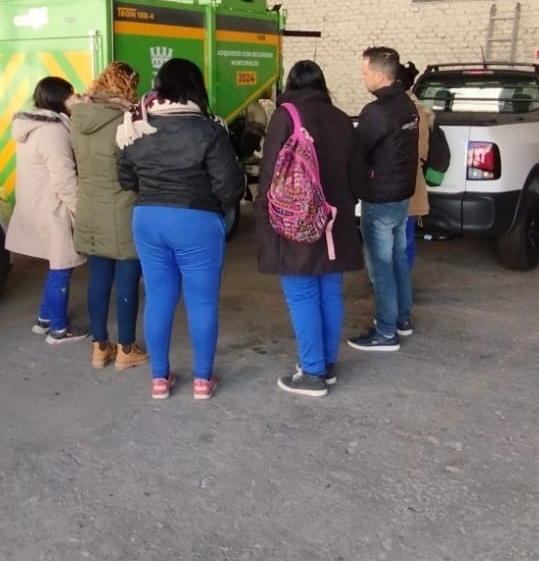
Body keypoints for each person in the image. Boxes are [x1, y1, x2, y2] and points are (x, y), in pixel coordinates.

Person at [117, 58, 244, 400]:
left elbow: (125, 178)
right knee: (202, 301)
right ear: (195, 86)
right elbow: (230, 187)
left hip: (147, 219)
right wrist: (214, 207)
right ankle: (202, 381)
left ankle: (160, 379)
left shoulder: (136, 126)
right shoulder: (209, 130)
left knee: (158, 297)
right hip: (196, 220)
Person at [255, 60, 365, 398]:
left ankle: (312, 371)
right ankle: (326, 366)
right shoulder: (341, 118)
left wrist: (264, 217)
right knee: (330, 292)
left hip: (297, 220)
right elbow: (357, 175)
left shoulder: (285, 115)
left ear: (291, 83)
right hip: (335, 219)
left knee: (302, 293)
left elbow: (270, 173)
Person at [69, 62, 148, 372]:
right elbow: (135, 170)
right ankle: (126, 349)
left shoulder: (78, 119)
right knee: (127, 281)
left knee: (98, 280)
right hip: (123, 209)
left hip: (90, 209)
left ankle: (100, 347)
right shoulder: (125, 122)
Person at [348, 46, 419, 353]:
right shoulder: (407, 105)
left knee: (381, 266)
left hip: (379, 199)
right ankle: (402, 319)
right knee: (398, 258)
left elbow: (356, 153)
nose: (362, 77)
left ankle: (386, 331)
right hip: (402, 195)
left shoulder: (376, 112)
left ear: (378, 75)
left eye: (365, 71)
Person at [6, 76, 87, 344]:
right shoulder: (54, 131)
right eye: (71, 93)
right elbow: (64, 179)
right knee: (62, 266)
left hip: (37, 203)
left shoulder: (33, 125)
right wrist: (81, 212)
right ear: (59, 98)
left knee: (56, 264)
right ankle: (59, 330)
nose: (76, 98)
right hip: (53, 207)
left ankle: (44, 319)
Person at [396, 60, 433, 269]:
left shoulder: (414, 113)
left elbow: (419, 151)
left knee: (403, 239)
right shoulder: (408, 109)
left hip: (406, 184)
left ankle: (400, 282)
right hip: (400, 184)